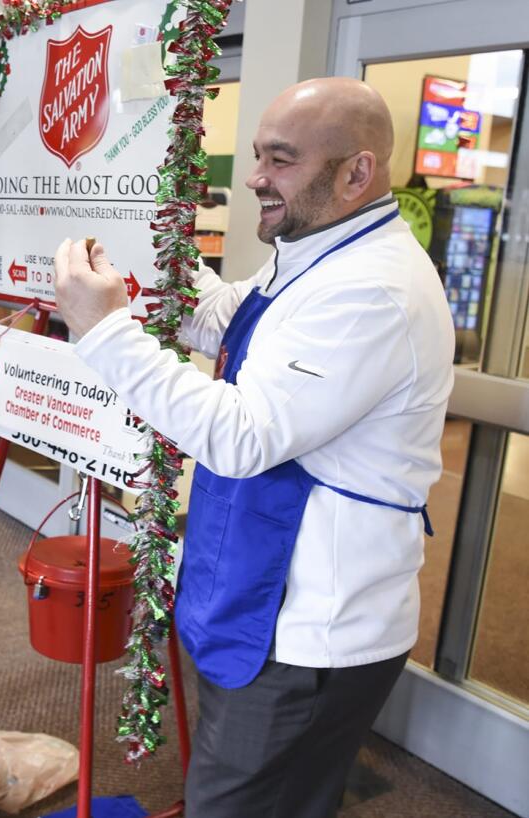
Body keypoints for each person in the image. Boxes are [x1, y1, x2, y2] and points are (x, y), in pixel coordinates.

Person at [53, 78, 453, 818]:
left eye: (281, 159)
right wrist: (150, 252)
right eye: (260, 155)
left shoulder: (374, 289)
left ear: (355, 174)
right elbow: (221, 320)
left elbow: (243, 435)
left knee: (234, 802)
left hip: (308, 634)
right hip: (259, 599)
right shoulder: (313, 253)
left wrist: (104, 331)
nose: (255, 177)